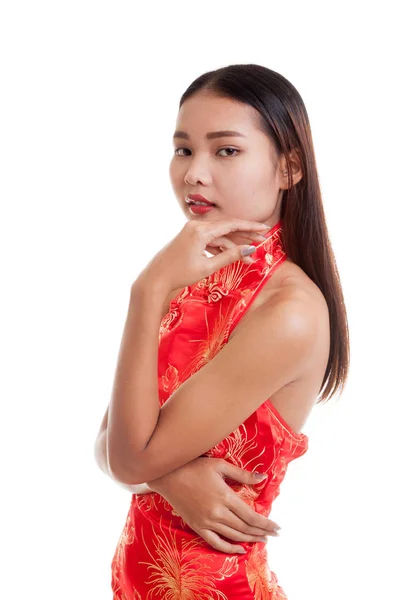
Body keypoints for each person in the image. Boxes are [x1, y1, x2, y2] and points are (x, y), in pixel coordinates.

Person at [94, 63, 350, 599]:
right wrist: (169, 477)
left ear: (289, 168)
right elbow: (110, 444)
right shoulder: (198, 275)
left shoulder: (289, 310)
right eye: (183, 149)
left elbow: (125, 458)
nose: (193, 174)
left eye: (225, 150)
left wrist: (146, 292)